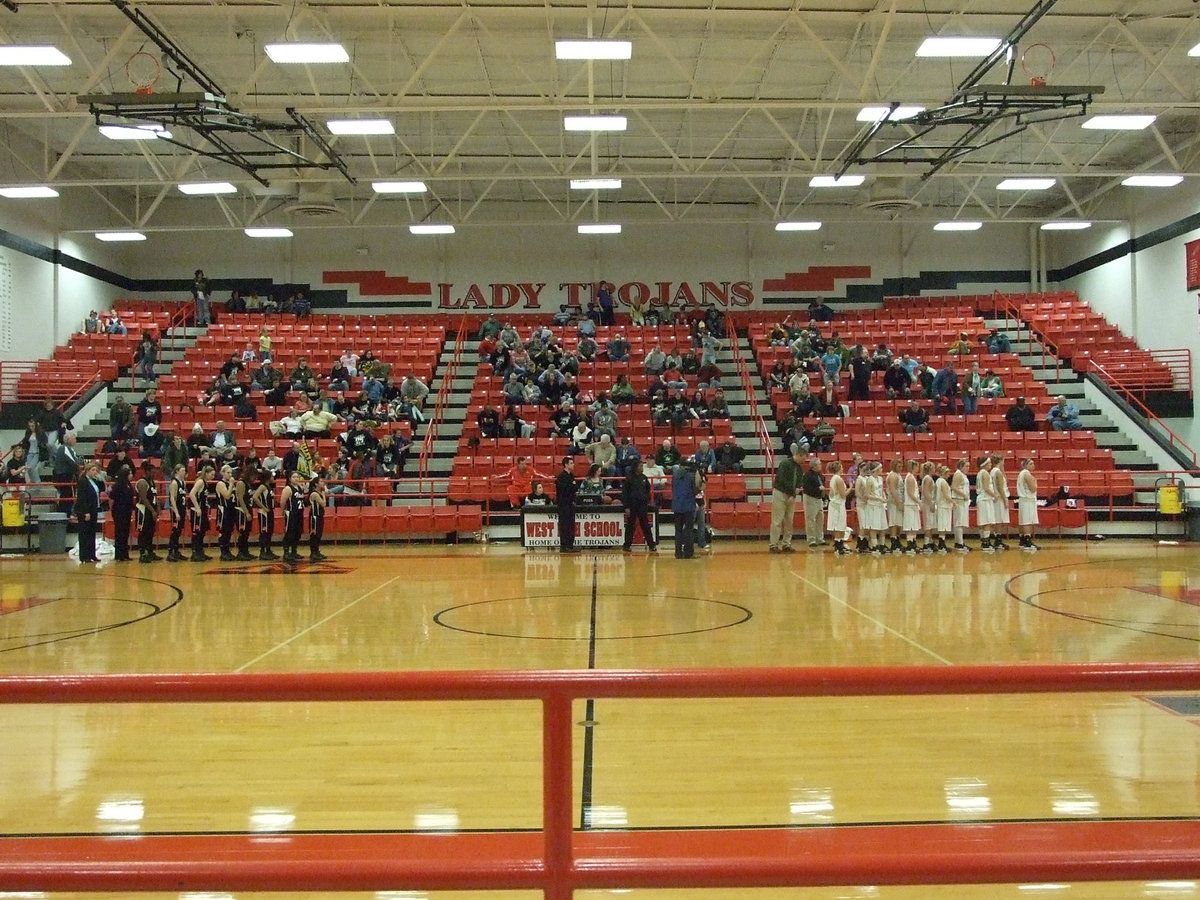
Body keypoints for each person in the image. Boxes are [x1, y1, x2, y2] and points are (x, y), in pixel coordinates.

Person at [768, 443, 806, 553]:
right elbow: (781, 480)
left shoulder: (799, 468)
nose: (804, 461)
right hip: (780, 493)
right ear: (799, 455)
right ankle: (773, 545)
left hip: (791, 496)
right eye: (803, 458)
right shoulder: (784, 464)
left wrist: (794, 494)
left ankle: (786, 544)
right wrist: (792, 492)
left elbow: (799, 482)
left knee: (789, 521)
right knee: (777, 520)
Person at [622, 460, 658, 553]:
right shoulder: (629, 478)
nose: (642, 468)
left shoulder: (644, 478)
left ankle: (651, 545)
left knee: (645, 525)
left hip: (642, 505)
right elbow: (625, 494)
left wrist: (646, 499)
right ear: (636, 467)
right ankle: (627, 545)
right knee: (630, 526)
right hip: (632, 504)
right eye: (641, 466)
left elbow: (648, 489)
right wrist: (626, 507)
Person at [74, 461, 103, 563]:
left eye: (96, 470)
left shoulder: (93, 480)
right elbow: (82, 498)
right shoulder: (82, 481)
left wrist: (99, 478)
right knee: (84, 534)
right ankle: (84, 556)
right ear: (87, 471)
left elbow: (102, 488)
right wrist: (85, 512)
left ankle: (92, 555)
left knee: (92, 533)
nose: (95, 472)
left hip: (94, 510)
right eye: (93, 470)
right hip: (85, 511)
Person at [670, 461, 701, 559]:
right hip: (688, 506)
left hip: (676, 506)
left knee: (678, 530)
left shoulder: (674, 476)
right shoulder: (691, 475)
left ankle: (678, 553)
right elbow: (696, 490)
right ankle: (688, 553)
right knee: (688, 531)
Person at [188, 463, 214, 562]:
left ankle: (200, 551)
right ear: (206, 473)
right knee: (197, 532)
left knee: (202, 532)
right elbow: (191, 494)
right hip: (197, 510)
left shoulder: (205, 483)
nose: (213, 476)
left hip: (203, 510)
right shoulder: (200, 482)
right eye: (211, 474)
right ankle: (195, 553)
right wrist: (197, 507)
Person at [109, 463, 135, 561]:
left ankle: (125, 554)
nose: (131, 475)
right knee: (119, 533)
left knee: (125, 533)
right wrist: (113, 510)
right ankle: (119, 555)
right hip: (119, 512)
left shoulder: (129, 485)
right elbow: (111, 499)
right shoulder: (117, 486)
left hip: (127, 512)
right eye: (130, 474)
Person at [252, 467, 278, 560]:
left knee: (269, 532)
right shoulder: (262, 486)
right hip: (264, 513)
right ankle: (262, 552)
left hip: (270, 511)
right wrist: (263, 507)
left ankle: (268, 550)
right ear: (268, 477)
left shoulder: (268, 486)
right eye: (272, 476)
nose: (273, 478)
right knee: (264, 532)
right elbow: (255, 497)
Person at [824, 461, 849, 556]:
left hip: (837, 504)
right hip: (838, 504)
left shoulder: (834, 478)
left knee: (841, 525)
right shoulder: (838, 479)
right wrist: (850, 488)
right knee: (838, 526)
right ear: (838, 468)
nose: (843, 469)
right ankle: (838, 546)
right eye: (841, 467)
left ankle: (840, 544)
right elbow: (843, 494)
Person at [800, 457, 825, 549]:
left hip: (819, 498)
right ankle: (811, 539)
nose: (820, 466)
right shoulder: (807, 475)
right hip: (810, 498)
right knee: (811, 519)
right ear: (813, 466)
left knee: (820, 518)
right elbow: (806, 488)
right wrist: (818, 489)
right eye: (819, 464)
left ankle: (820, 538)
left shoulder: (820, 475)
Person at [1017, 458, 1040, 551]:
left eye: (1033, 463)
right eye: (1030, 463)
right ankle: (1027, 541)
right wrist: (1035, 482)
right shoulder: (1026, 474)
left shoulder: (1021, 474)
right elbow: (1033, 489)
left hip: (1024, 499)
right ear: (1025, 465)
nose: (1033, 465)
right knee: (1027, 521)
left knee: (1023, 520)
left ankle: (1022, 540)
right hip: (1028, 499)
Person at [308, 474, 328, 561]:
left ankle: (317, 551)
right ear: (316, 484)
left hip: (319, 515)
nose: (322, 483)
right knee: (314, 535)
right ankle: (313, 552)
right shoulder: (314, 494)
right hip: (314, 516)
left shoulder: (319, 493)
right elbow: (323, 504)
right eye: (320, 481)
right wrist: (323, 494)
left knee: (319, 534)